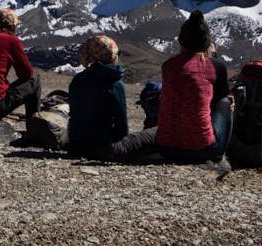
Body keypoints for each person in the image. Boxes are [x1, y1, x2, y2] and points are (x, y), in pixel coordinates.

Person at [155, 10, 233, 163]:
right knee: (225, 102)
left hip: (164, 148)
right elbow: (221, 94)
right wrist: (214, 55)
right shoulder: (215, 65)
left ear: (182, 42)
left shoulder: (168, 65)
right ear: (207, 43)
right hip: (201, 150)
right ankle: (220, 154)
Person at [67, 35, 158, 163]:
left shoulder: (78, 79)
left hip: (75, 145)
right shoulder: (114, 83)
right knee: (157, 133)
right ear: (112, 56)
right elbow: (123, 130)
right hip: (106, 149)